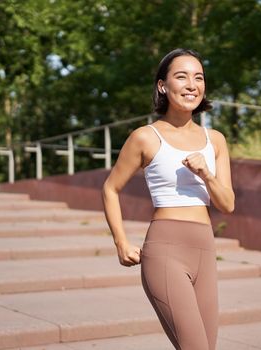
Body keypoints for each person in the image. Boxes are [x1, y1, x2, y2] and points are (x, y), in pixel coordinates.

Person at [102, 48, 235, 350]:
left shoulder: (215, 140)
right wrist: (121, 242)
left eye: (198, 77)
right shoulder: (145, 137)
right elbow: (110, 188)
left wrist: (207, 175)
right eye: (181, 76)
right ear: (163, 85)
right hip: (165, 251)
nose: (192, 84)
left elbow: (227, 204)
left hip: (204, 248)